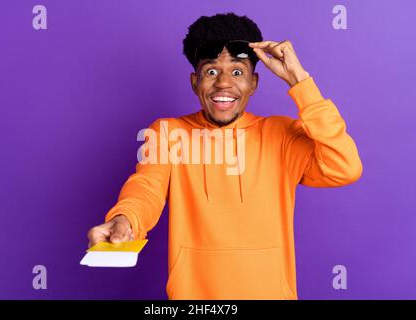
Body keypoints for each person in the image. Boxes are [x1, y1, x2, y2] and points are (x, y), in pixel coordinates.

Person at [87, 12, 363, 300]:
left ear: (253, 83)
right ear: (195, 83)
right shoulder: (168, 133)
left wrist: (300, 81)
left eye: (237, 71)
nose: (223, 83)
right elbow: (146, 188)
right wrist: (125, 220)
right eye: (211, 71)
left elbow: (344, 166)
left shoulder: (282, 135)